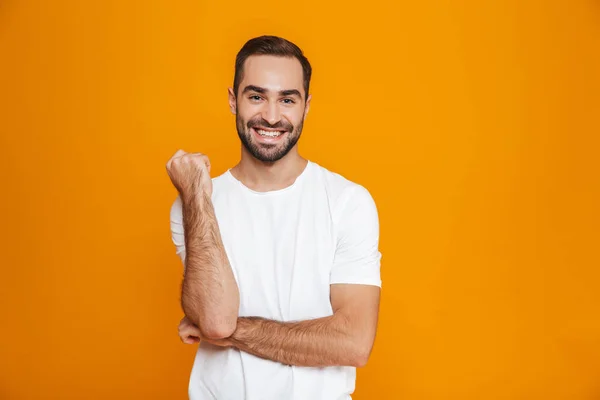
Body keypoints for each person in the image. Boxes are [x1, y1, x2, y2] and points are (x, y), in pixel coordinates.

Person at [166, 35, 382, 400]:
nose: (271, 115)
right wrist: (195, 195)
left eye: (286, 99)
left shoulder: (348, 202)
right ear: (233, 100)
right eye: (256, 96)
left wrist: (230, 333)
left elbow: (353, 342)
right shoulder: (197, 204)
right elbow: (216, 318)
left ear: (306, 106)